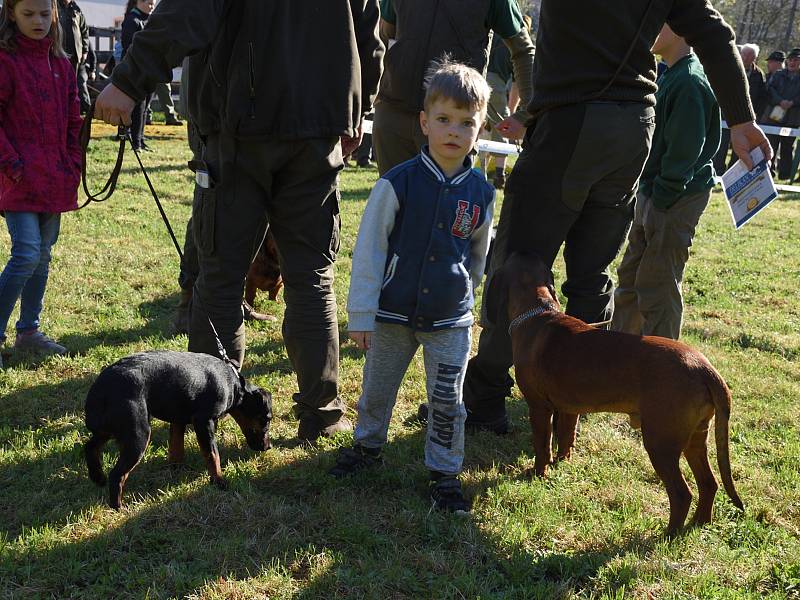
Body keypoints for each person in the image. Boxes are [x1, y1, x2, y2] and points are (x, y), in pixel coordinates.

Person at [461, 0, 772, 435]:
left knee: (517, 266)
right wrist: (741, 119)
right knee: (591, 274)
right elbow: (713, 32)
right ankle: (578, 396)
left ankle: (484, 399)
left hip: (569, 122)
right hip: (632, 129)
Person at [93, 0, 383, 442]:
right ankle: (320, 414)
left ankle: (207, 415)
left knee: (224, 279)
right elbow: (368, 32)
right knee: (308, 280)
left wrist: (128, 81)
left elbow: (187, 13)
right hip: (309, 129)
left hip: (241, 128)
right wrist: (358, 106)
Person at [329, 61, 494, 513]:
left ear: (480, 129)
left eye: (466, 123)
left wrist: (468, 292)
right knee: (377, 390)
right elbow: (369, 252)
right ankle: (367, 447)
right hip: (393, 314)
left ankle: (444, 472)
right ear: (424, 122)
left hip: (450, 320)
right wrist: (362, 314)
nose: (453, 131)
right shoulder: (396, 183)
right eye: (443, 120)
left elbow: (477, 252)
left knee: (447, 401)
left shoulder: (481, 190)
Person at [612, 24, 720, 340]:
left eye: (660, 20)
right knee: (631, 277)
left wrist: (660, 198)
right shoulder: (669, 74)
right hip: (653, 190)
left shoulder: (689, 81)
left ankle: (663, 363)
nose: (650, 27)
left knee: (657, 283)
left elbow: (685, 151)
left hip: (674, 196)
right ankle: (621, 352)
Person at [0, 0, 83, 368]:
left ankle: (29, 331)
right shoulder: (5, 61)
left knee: (44, 255)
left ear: (54, 15)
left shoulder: (62, 64)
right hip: (17, 176)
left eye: (43, 14)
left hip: (55, 175)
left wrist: (73, 162)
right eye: (27, 14)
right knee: (27, 253)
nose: (38, 22)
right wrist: (10, 163)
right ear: (11, 16)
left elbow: (73, 119)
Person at [373, 0, 535, 175]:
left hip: (453, 125)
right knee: (390, 200)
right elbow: (383, 39)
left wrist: (527, 112)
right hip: (394, 117)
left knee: (447, 201)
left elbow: (523, 50)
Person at [714, 43, 766, 173]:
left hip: (746, 117)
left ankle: (734, 171)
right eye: (745, 54)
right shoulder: (729, 68)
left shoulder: (758, 74)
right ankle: (718, 170)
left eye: (751, 55)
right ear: (740, 54)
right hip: (726, 114)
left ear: (755, 58)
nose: (747, 57)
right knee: (722, 144)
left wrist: (754, 114)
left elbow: (761, 97)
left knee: (741, 146)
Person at [120, 0, 154, 151]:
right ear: (139, 2)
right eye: (149, 3)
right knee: (138, 106)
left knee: (145, 106)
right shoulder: (132, 20)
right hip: (136, 68)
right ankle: (135, 142)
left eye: (154, 4)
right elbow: (129, 46)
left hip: (150, 68)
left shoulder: (151, 19)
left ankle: (141, 138)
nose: (152, 7)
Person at [764, 47, 800, 180]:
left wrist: (792, 102)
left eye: (796, 60)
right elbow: (769, 90)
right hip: (774, 117)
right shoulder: (778, 74)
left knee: (787, 147)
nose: (792, 62)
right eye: (790, 60)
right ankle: (768, 173)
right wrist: (780, 101)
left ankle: (785, 176)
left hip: (793, 118)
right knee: (770, 145)